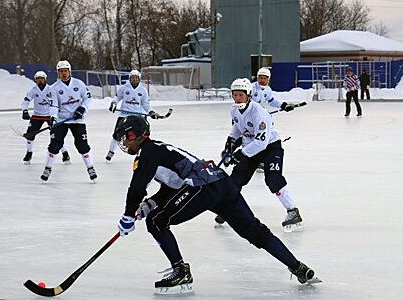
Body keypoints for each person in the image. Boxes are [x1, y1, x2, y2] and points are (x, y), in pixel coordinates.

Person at [114, 116, 321, 294]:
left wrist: (127, 216)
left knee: (156, 221)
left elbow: (137, 188)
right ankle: (298, 267)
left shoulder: (147, 154)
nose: (124, 143)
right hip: (221, 183)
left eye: (125, 138)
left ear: (135, 135)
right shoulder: (156, 149)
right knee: (256, 231)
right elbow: (173, 185)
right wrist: (150, 203)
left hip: (203, 187)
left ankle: (181, 271)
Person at [215, 78, 303, 232]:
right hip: (250, 148)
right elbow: (237, 129)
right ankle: (228, 209)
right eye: (234, 95)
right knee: (235, 180)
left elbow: (261, 143)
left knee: (273, 180)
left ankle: (292, 211)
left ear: (248, 95)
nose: (237, 98)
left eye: (240, 95)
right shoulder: (234, 110)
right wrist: (229, 145)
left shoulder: (259, 114)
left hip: (270, 148)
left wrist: (240, 155)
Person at [40, 60, 97, 182]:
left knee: (82, 145)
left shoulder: (79, 84)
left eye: (65, 71)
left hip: (78, 120)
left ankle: (90, 168)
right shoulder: (54, 88)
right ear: (58, 73)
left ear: (69, 71)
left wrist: (82, 108)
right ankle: (48, 168)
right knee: (55, 145)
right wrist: (53, 117)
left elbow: (88, 98)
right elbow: (53, 105)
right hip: (62, 119)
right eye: (61, 71)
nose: (64, 73)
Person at [105, 69, 158, 162]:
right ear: (129, 79)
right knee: (117, 135)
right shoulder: (124, 88)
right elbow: (117, 97)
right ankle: (111, 152)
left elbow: (145, 103)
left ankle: (141, 153)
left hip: (137, 117)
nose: (134, 80)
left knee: (141, 136)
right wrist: (113, 104)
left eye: (136, 78)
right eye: (132, 78)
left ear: (139, 79)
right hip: (124, 115)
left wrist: (150, 112)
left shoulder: (142, 90)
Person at [21, 71, 70, 164]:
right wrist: (25, 111)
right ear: (35, 80)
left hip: (50, 116)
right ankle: (29, 153)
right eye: (38, 78)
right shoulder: (33, 90)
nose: (40, 80)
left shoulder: (51, 89)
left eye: (42, 78)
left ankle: (65, 153)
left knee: (57, 136)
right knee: (30, 135)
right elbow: (26, 101)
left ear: (45, 79)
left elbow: (58, 101)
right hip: (37, 116)